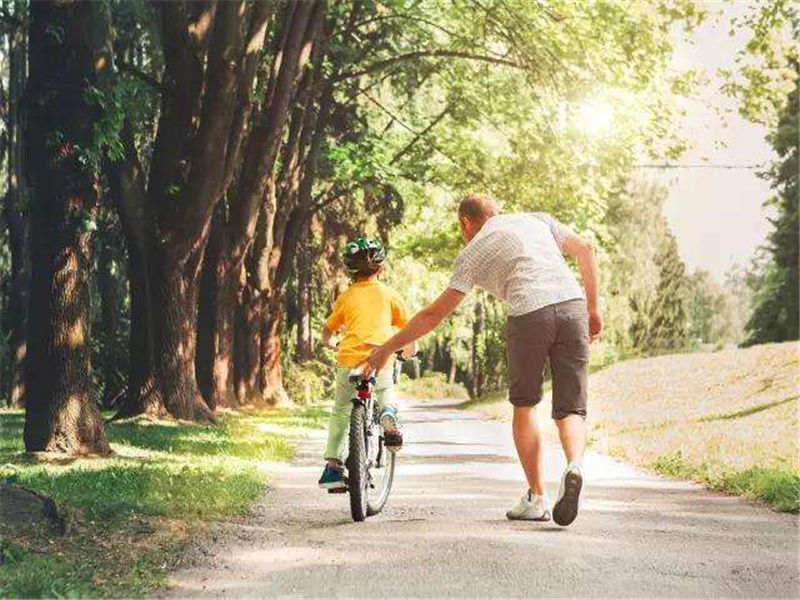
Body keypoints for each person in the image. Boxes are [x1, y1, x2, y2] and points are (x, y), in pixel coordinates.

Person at [361, 194, 602, 526]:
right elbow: (585, 249)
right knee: (571, 409)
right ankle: (574, 465)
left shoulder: (472, 251)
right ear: (498, 213)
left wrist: (387, 348)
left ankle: (537, 497)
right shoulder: (536, 218)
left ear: (465, 223)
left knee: (525, 405)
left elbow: (433, 316)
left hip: (529, 312)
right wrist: (593, 309)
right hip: (573, 306)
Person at [318, 237, 416, 490]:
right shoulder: (389, 295)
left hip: (348, 359)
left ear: (350, 272)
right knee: (385, 390)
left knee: (341, 410)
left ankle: (333, 467)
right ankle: (388, 414)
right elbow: (408, 330)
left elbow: (328, 329)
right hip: (379, 357)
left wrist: (329, 343)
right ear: (380, 269)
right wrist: (408, 351)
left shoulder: (346, 297)